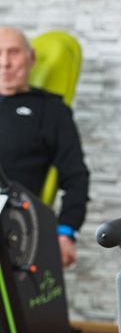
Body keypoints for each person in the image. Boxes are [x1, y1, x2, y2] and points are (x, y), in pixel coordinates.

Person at [0, 26, 89, 268]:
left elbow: (76, 177)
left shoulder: (51, 110)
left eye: (14, 52)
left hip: (14, 230)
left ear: (32, 58)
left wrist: (66, 232)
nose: (5, 62)